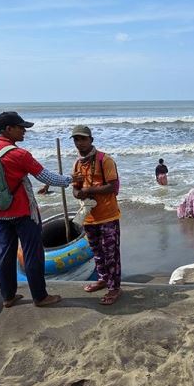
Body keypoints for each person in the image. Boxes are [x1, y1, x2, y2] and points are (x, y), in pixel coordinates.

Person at [0, 111, 81, 308]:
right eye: (20, 127)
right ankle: (40, 297)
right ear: (9, 129)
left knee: (5, 253)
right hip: (23, 213)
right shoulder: (20, 154)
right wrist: (70, 179)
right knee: (33, 253)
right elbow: (46, 178)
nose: (24, 131)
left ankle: (8, 296)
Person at [71, 125, 122, 305]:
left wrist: (89, 189)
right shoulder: (77, 163)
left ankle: (114, 287)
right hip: (89, 216)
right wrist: (79, 193)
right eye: (76, 139)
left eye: (83, 139)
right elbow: (75, 191)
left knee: (111, 254)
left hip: (108, 215)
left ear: (91, 140)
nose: (80, 143)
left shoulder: (104, 160)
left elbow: (113, 187)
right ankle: (102, 279)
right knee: (96, 252)